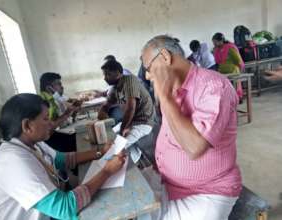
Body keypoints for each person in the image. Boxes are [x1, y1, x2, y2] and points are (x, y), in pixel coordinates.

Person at [141, 35, 242, 220]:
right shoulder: (172, 89)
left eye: (148, 68)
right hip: (170, 184)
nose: (147, 75)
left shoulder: (213, 86)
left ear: (165, 57)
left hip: (207, 192)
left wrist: (164, 98)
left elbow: (195, 147)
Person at [0, 93, 126, 220]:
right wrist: (107, 171)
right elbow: (64, 208)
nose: (51, 123)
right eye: (46, 118)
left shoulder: (32, 144)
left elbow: (61, 159)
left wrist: (100, 152)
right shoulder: (12, 162)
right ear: (27, 126)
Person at [98, 59, 155, 163]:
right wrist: (103, 114)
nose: (105, 78)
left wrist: (122, 130)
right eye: (104, 75)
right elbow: (106, 105)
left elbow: (131, 107)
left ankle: (125, 166)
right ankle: (132, 163)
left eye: (108, 74)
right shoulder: (115, 88)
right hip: (131, 122)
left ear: (118, 73)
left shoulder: (129, 80)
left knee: (115, 147)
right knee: (108, 138)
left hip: (143, 123)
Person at [39, 72, 80, 152]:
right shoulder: (46, 102)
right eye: (59, 84)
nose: (62, 87)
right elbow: (49, 128)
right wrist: (67, 114)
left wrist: (74, 112)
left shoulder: (56, 98)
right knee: (78, 139)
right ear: (49, 88)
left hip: (58, 132)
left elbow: (66, 121)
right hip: (48, 139)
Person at [212, 33, 244, 100]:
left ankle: (236, 99)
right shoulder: (216, 50)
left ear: (221, 41)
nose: (214, 44)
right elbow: (217, 62)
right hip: (222, 72)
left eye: (215, 42)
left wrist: (239, 68)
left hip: (232, 71)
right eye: (213, 42)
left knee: (233, 89)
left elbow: (238, 60)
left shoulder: (230, 48)